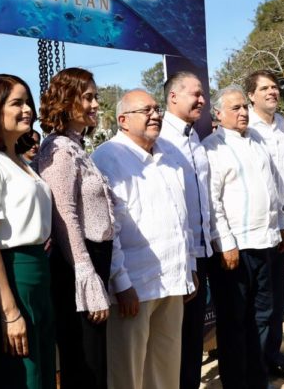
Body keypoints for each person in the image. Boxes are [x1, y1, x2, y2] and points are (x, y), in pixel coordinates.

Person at [92, 89, 196, 389]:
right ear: (123, 120)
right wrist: (120, 282)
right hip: (133, 288)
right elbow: (108, 229)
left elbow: (181, 216)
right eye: (145, 110)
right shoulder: (107, 157)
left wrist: (187, 267)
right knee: (129, 374)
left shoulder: (169, 153)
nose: (155, 115)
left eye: (156, 109)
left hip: (172, 280)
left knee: (165, 369)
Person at [0, 75, 56, 389]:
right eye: (17, 103)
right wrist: (9, 312)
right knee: (21, 374)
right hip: (12, 278)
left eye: (27, 101)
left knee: (42, 368)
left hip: (38, 273)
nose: (27, 109)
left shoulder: (17, 160)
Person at [203, 85, 284, 389]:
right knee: (235, 320)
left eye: (244, 107)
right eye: (235, 108)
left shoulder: (257, 141)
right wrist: (226, 243)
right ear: (218, 114)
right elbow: (213, 202)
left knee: (264, 314)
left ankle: (258, 376)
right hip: (236, 249)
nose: (242, 112)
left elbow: (271, 187)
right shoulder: (212, 147)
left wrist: (280, 225)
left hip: (266, 242)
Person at [36, 68, 114, 389]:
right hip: (77, 267)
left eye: (95, 97)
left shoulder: (77, 146)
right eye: (88, 97)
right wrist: (86, 275)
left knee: (95, 362)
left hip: (95, 259)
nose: (96, 104)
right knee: (85, 365)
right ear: (67, 101)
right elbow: (64, 213)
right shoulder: (58, 150)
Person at [245, 70, 284, 382]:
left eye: (275, 87)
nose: (272, 92)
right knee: (261, 300)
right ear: (251, 95)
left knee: (278, 293)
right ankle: (258, 361)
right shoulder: (245, 127)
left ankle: (273, 355)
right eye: (264, 88)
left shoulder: (282, 123)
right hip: (259, 221)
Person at [158, 71, 212, 389]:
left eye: (202, 94)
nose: (202, 100)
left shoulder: (194, 136)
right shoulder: (159, 138)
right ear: (173, 96)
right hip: (175, 259)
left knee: (192, 339)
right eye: (196, 93)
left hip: (201, 253)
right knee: (171, 344)